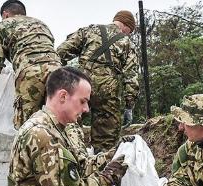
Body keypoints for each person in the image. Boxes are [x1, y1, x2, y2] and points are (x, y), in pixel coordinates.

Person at [56, 10, 140, 151]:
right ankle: (100, 168)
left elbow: (62, 51)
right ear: (126, 25)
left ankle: (72, 163)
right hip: (108, 93)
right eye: (129, 31)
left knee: (71, 129)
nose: (128, 35)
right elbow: (131, 77)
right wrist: (129, 106)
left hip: (80, 86)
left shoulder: (90, 30)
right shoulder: (127, 43)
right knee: (105, 142)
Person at [0, 0, 61, 128]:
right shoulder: (41, 24)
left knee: (27, 126)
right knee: (58, 120)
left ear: (5, 14)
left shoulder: (2, 25)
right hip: (58, 72)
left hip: (29, 73)